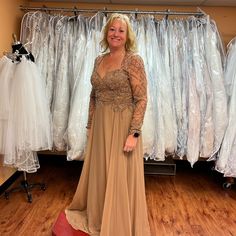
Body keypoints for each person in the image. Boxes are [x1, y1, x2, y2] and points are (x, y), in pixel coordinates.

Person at [65, 13, 151, 236]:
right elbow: (94, 95)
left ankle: (119, 222)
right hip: (101, 124)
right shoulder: (98, 59)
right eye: (112, 29)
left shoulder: (134, 60)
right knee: (101, 172)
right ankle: (100, 214)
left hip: (123, 125)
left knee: (119, 174)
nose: (116, 34)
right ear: (106, 33)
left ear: (127, 35)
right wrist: (90, 123)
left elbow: (141, 99)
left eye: (121, 31)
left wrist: (134, 133)